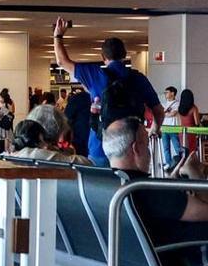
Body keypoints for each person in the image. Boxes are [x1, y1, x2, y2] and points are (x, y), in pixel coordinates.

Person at [105, 117, 208, 266]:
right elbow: (204, 212)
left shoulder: (108, 184)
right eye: (147, 140)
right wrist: (196, 173)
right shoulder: (144, 190)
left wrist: (173, 179)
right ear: (137, 148)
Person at [53, 19, 162, 167]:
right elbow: (158, 110)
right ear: (125, 55)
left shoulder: (95, 75)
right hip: (133, 148)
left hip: (100, 147)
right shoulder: (138, 78)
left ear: (103, 58)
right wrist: (155, 128)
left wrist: (58, 36)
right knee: (132, 187)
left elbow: (61, 61)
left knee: (101, 187)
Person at [64, 87, 93, 157]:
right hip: (99, 143)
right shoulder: (104, 96)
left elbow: (66, 119)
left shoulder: (77, 99)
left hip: (79, 141)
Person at [163, 86, 184, 172]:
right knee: (166, 148)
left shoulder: (177, 103)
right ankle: (169, 164)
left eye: (167, 92)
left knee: (177, 147)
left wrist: (164, 114)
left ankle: (181, 163)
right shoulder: (164, 104)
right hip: (164, 128)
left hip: (173, 128)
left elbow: (173, 114)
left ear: (172, 93)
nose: (165, 94)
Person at [179, 89, 202, 161]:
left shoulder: (180, 109)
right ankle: (191, 168)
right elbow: (197, 123)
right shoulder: (194, 108)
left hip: (182, 132)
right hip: (191, 132)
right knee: (192, 152)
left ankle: (183, 167)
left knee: (184, 152)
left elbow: (180, 122)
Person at [0, 88, 16, 153]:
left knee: (5, 136)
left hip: (3, 121)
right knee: (8, 136)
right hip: (7, 121)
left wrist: (3, 111)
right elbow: (13, 111)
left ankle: (5, 150)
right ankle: (8, 150)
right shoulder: (10, 102)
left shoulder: (2, 102)